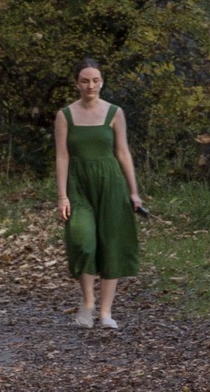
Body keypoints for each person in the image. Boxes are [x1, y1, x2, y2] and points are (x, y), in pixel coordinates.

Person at [55, 61, 145, 329]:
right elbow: (61, 155)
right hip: (78, 185)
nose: (90, 85)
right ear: (77, 83)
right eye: (85, 81)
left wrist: (134, 192)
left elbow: (123, 152)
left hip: (111, 183)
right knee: (83, 241)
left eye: (95, 80)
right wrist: (62, 195)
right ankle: (88, 303)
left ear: (102, 82)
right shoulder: (65, 115)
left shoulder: (114, 113)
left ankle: (106, 313)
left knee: (111, 243)